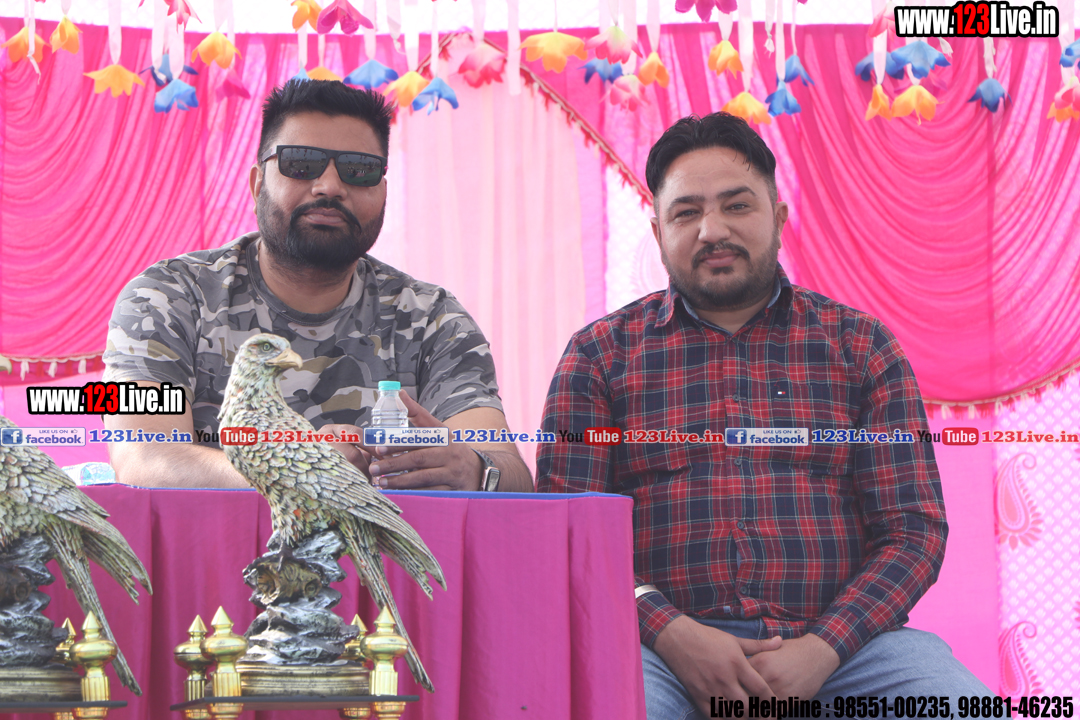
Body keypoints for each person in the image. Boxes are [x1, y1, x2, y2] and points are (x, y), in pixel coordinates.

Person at [536, 112, 989, 714]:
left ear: (777, 216)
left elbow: (912, 532)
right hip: (658, 651)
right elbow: (571, 530)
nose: (712, 230)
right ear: (658, 231)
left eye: (737, 206)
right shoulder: (599, 356)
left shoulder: (859, 346)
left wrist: (823, 648)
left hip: (847, 650)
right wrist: (671, 632)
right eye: (686, 213)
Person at [103, 80, 531, 493]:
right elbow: (145, 459)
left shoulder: (431, 319)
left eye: (358, 170)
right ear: (257, 183)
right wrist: (296, 470)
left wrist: (475, 469)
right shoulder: (167, 299)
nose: (329, 187)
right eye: (301, 164)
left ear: (383, 193)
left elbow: (510, 472)